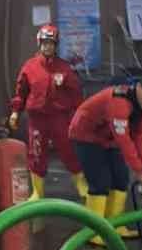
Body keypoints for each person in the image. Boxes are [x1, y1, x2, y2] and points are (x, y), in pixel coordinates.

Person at [69, 77, 142, 243]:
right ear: (138, 87)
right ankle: (93, 231)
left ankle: (115, 225)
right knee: (100, 182)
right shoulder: (119, 103)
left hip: (108, 138)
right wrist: (138, 170)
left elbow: (141, 136)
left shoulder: (141, 109)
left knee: (121, 178)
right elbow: (124, 139)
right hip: (85, 135)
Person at [8, 23, 87, 201]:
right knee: (36, 153)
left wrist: (79, 117)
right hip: (37, 120)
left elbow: (76, 95)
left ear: (56, 45)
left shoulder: (64, 69)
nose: (47, 46)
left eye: (51, 43)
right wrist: (15, 112)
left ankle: (81, 184)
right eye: (44, 43)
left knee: (68, 150)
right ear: (39, 44)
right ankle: (38, 192)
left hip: (60, 118)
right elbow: (21, 92)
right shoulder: (29, 67)